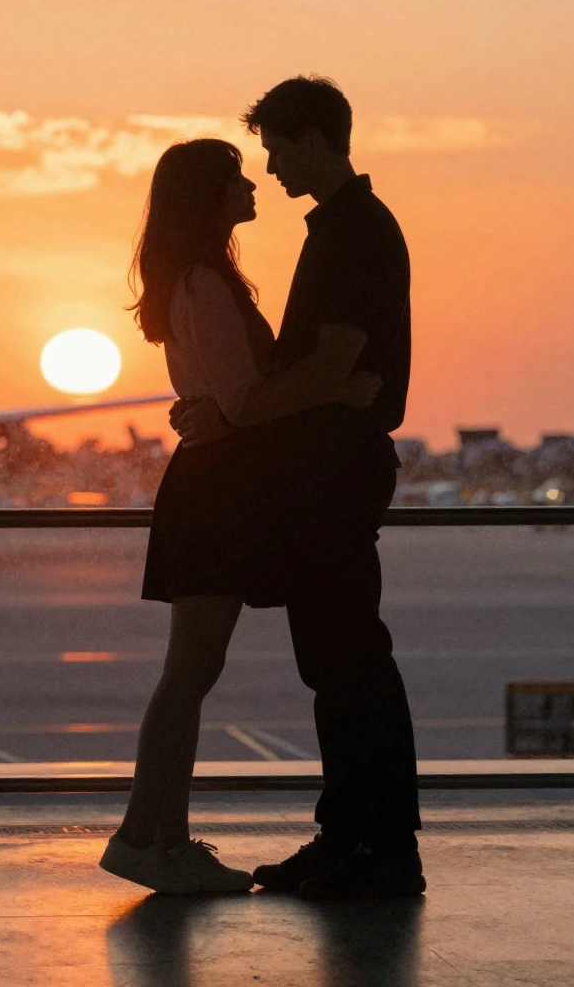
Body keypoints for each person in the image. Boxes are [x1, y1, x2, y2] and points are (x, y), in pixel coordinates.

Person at [99, 138, 380, 895]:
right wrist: (337, 391)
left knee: (190, 671)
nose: (252, 185)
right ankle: (144, 838)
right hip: (219, 493)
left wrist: (224, 418)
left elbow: (227, 403)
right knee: (189, 672)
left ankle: (161, 841)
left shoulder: (191, 281)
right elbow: (246, 399)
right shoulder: (206, 284)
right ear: (209, 196)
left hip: (217, 484)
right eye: (235, 178)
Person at [172, 77, 423, 901]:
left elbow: (330, 365)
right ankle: (352, 836)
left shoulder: (353, 234)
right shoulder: (343, 229)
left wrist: (238, 415)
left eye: (277, 148)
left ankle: (378, 848)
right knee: (338, 661)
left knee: (349, 661)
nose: (271, 167)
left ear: (315, 140)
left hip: (335, 474)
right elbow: (323, 374)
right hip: (326, 469)